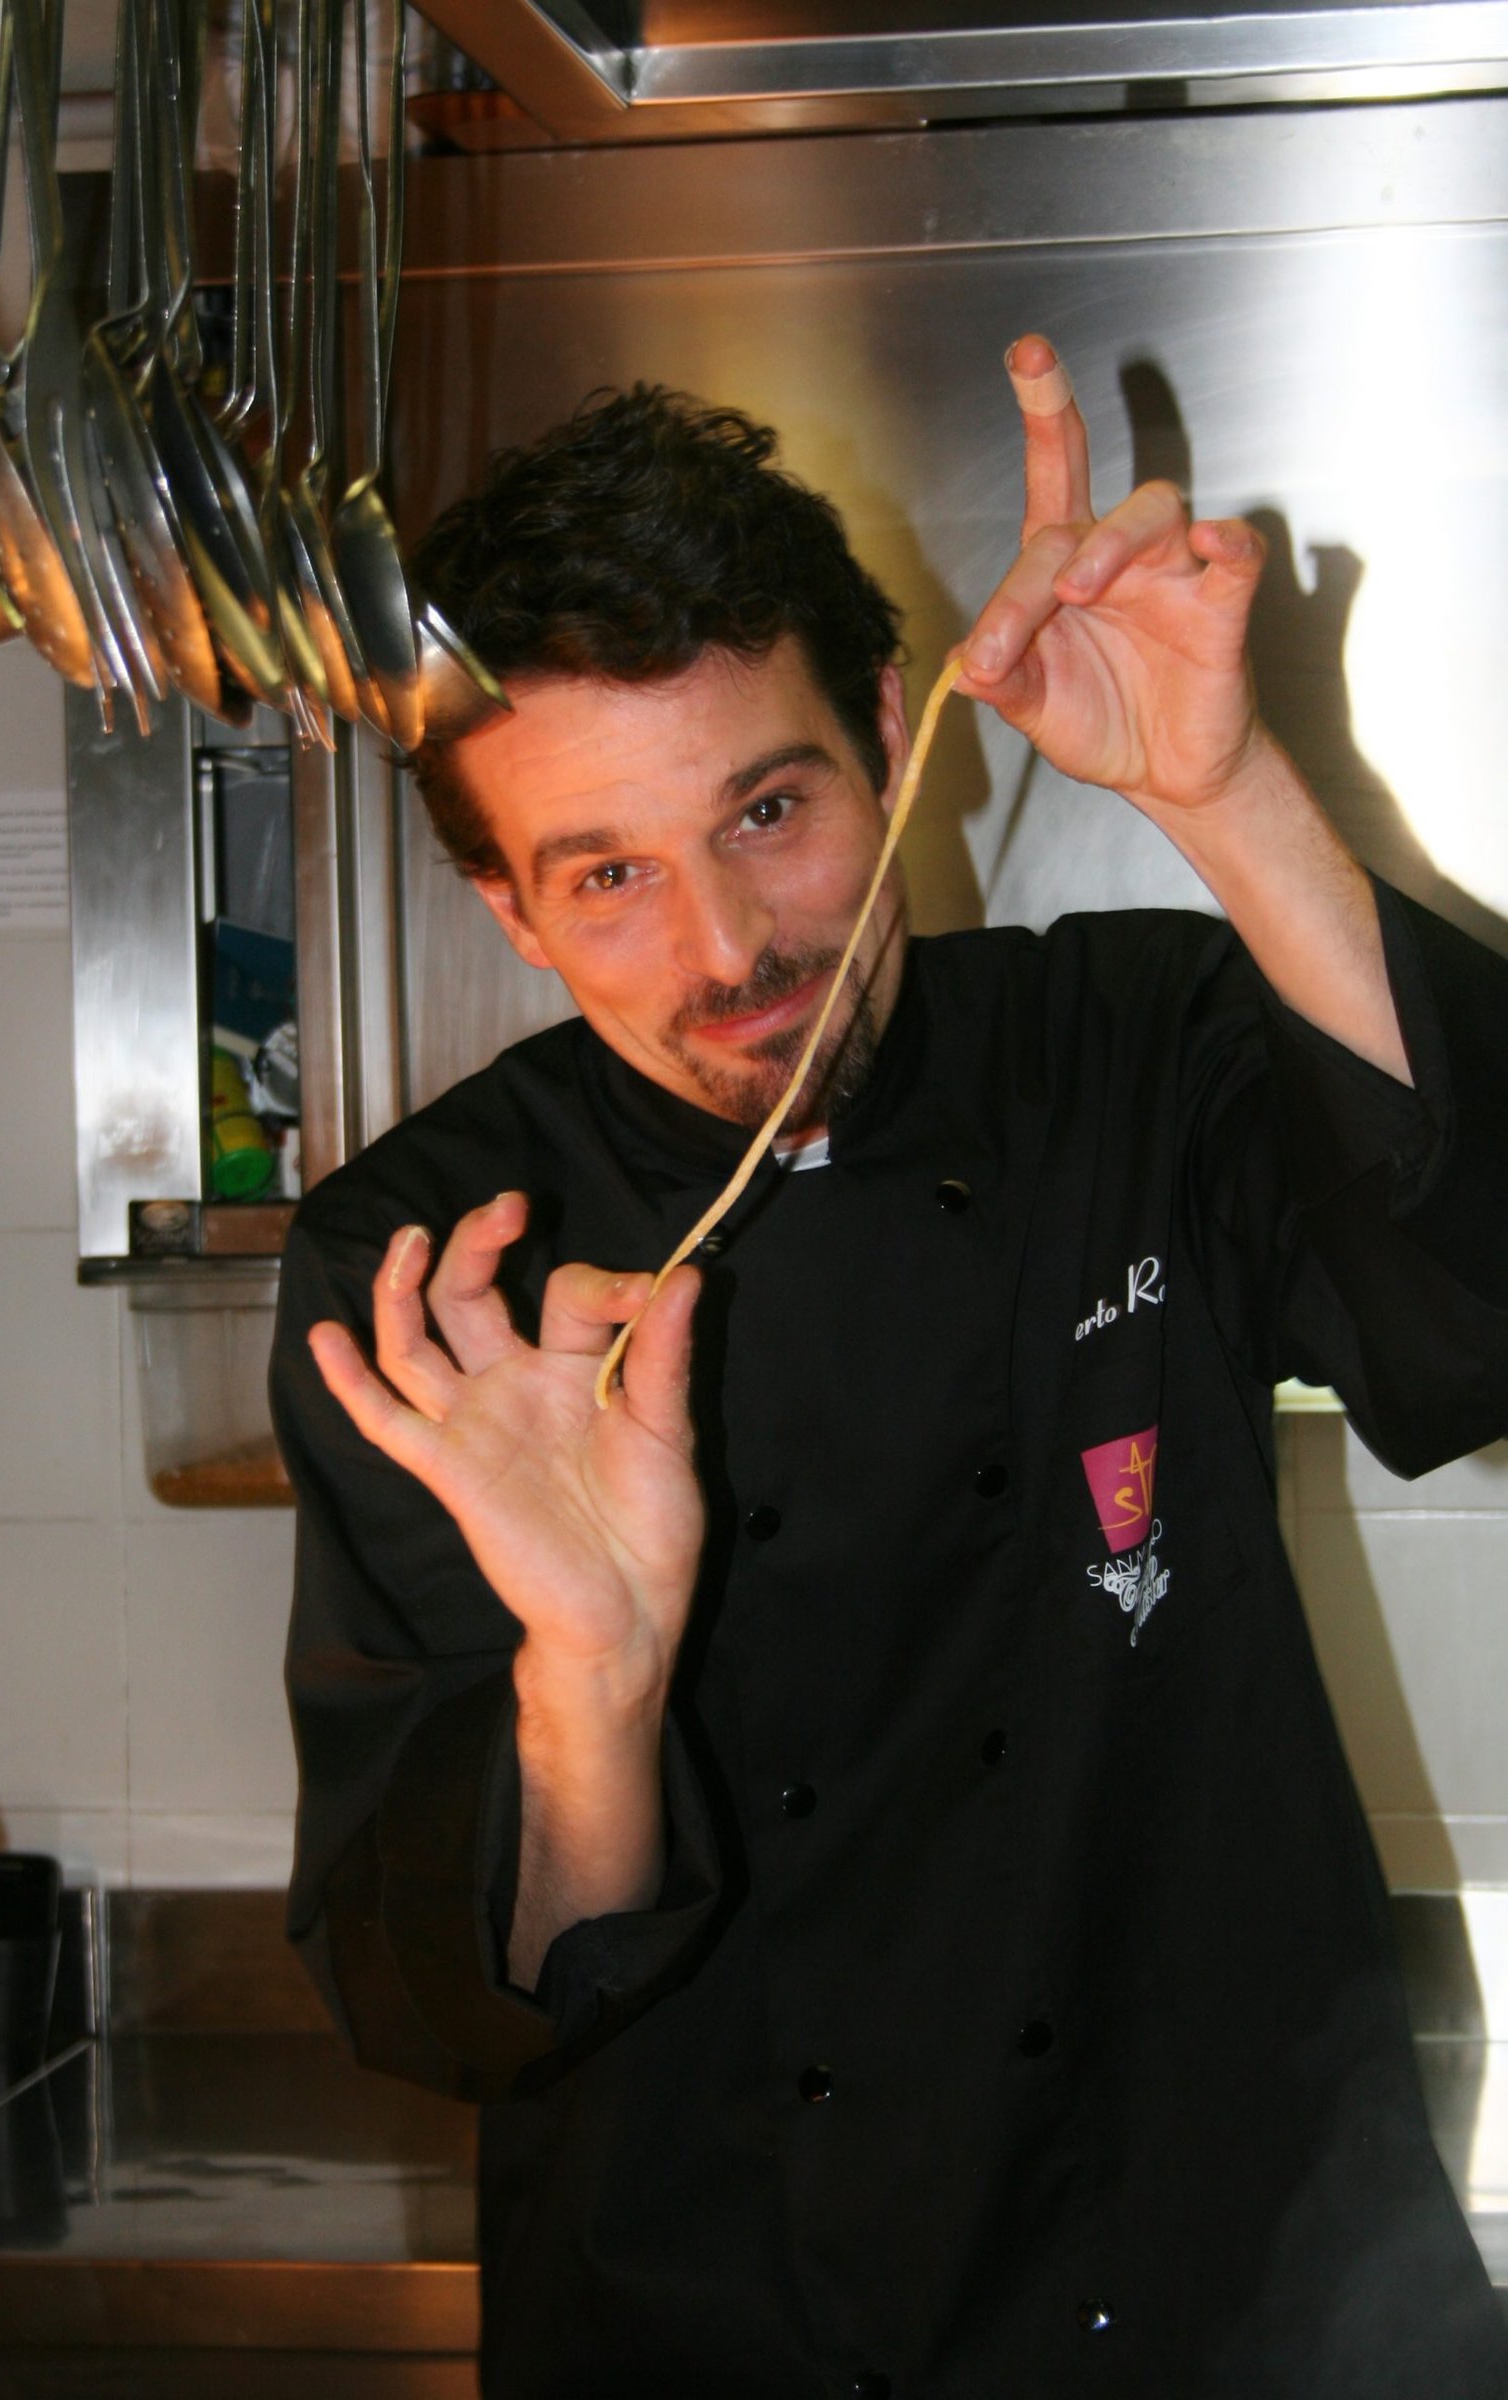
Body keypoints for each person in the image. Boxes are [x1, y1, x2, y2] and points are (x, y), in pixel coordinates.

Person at [270, 335, 1508, 2399]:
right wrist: (593, 1679)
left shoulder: (1134, 1045)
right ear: (506, 906)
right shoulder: (432, 1278)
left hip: (1231, 2284)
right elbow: (449, 2005)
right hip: (716, 2319)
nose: (727, 947)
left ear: (881, 731)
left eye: (766, 810)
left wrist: (1226, 797)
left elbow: (1478, 1307)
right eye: (606, 875)